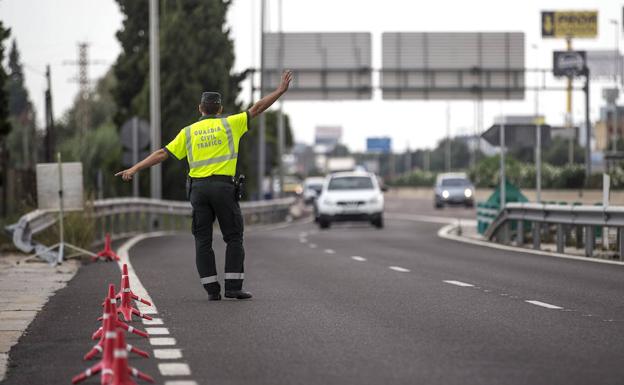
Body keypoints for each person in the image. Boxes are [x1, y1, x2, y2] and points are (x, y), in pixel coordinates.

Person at [115, 70, 294, 301]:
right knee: (233, 237)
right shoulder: (231, 124)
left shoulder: (188, 132)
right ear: (219, 109)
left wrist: (135, 168)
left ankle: (212, 291)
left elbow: (162, 153)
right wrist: (280, 91)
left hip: (198, 191)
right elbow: (257, 108)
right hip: (223, 188)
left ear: (200, 109)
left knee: (202, 240)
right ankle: (233, 287)